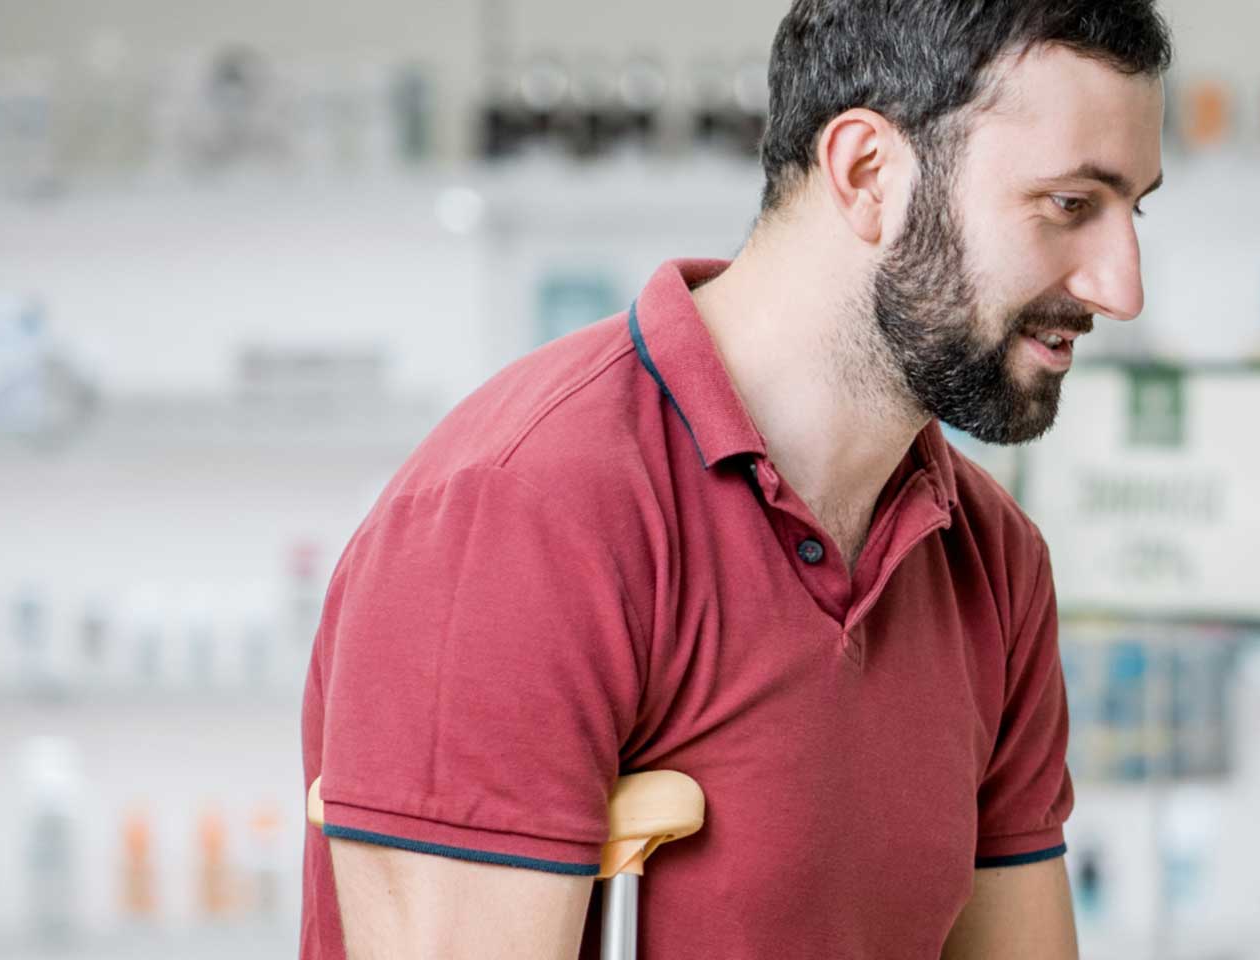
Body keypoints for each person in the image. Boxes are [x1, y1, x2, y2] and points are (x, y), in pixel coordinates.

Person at [296, 1, 1168, 956]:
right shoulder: (524, 514)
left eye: (1135, 210)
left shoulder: (991, 558)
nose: (1120, 289)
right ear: (868, 175)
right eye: (1071, 205)